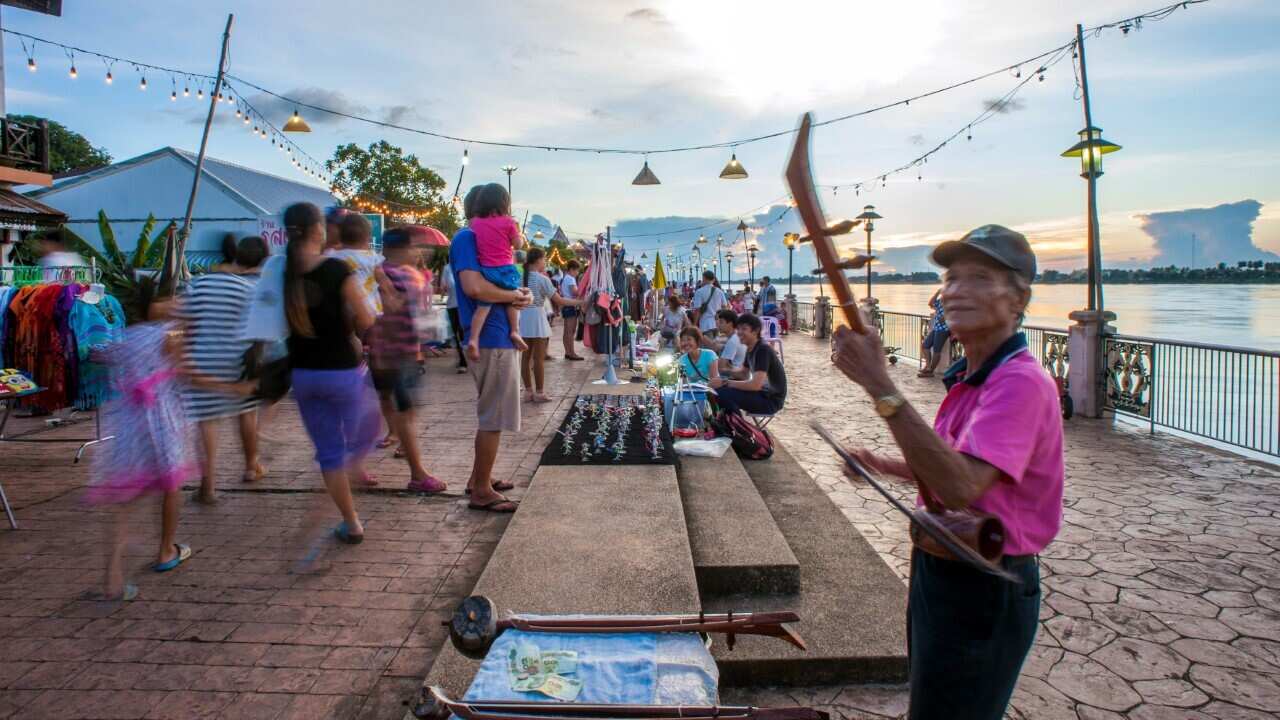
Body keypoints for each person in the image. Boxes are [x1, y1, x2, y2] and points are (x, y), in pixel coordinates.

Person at [830, 224, 1063, 720]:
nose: (955, 291)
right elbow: (953, 466)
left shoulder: (1020, 382)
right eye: (951, 278)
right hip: (941, 569)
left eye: (978, 278)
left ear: (1018, 298)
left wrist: (878, 381)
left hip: (985, 583)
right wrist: (884, 465)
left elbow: (960, 486)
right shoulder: (972, 379)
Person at [87, 277, 249, 600]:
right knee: (171, 488)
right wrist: (233, 388)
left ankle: (113, 576)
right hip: (163, 422)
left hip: (131, 426)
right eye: (168, 299)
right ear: (152, 304)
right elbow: (189, 372)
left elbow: (102, 357)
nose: (176, 304)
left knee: (126, 501)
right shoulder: (172, 333)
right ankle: (165, 550)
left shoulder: (128, 337)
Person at [282, 202, 381, 543]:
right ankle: (339, 489)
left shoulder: (283, 272)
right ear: (318, 230)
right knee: (367, 432)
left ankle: (351, 522)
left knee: (329, 452)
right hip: (342, 370)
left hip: (304, 374)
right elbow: (367, 319)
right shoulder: (337, 270)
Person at [452, 184, 533, 513]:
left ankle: (478, 479)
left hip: (497, 335)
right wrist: (514, 296)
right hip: (491, 339)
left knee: (492, 414)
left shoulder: (477, 237)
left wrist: (519, 295)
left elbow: (497, 284)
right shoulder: (466, 238)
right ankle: (482, 491)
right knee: (493, 417)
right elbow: (474, 286)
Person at [181, 235, 269, 504]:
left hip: (203, 360)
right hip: (239, 362)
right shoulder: (249, 290)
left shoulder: (198, 284)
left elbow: (186, 323)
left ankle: (208, 485)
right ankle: (251, 467)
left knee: (207, 423)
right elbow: (261, 331)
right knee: (246, 414)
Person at [368, 228, 447, 494]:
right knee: (406, 412)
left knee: (398, 408)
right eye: (412, 248)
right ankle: (417, 473)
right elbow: (418, 316)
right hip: (402, 353)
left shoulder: (376, 274)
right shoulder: (405, 276)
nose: (416, 252)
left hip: (385, 351)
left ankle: (400, 442)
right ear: (399, 249)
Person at [465, 184, 527, 362]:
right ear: (504, 203)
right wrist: (519, 234)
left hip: (486, 270)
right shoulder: (508, 222)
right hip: (505, 269)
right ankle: (515, 331)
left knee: (483, 307)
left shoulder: (475, 223)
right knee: (512, 299)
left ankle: (474, 339)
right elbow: (518, 245)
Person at [519, 247, 581, 403]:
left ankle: (528, 392)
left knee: (525, 358)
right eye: (544, 259)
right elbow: (559, 300)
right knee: (538, 358)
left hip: (524, 316)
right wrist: (581, 302)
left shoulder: (520, 277)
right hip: (537, 316)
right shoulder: (542, 279)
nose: (545, 262)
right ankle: (539, 392)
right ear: (538, 260)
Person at [710, 313, 786, 416]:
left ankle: (736, 427)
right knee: (716, 390)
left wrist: (725, 382)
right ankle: (728, 423)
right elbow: (744, 374)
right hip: (761, 394)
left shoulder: (763, 350)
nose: (739, 332)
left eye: (744, 329)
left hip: (770, 400)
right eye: (738, 329)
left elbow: (755, 385)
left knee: (722, 393)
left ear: (756, 331)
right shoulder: (750, 347)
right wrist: (723, 373)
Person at [328, 213, 387, 319]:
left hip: (345, 307)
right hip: (370, 307)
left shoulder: (333, 255)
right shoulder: (371, 256)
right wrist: (392, 294)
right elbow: (382, 279)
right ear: (368, 237)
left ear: (340, 236)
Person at [441, 260, 468, 374]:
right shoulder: (447, 268)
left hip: (466, 306)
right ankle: (463, 360)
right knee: (456, 334)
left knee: (464, 333)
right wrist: (444, 287)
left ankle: (467, 359)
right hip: (452, 305)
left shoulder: (467, 265)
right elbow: (444, 287)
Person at [918, 288, 949, 378]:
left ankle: (930, 371)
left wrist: (945, 316)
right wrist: (937, 293)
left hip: (944, 329)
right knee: (925, 345)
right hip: (936, 328)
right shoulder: (941, 301)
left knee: (937, 350)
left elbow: (953, 313)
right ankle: (928, 367)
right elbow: (930, 303)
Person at [559, 260, 584, 360]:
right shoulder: (570, 279)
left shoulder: (566, 278)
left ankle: (568, 352)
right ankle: (571, 353)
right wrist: (582, 288)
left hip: (566, 305)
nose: (577, 273)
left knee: (567, 331)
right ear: (572, 269)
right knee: (570, 331)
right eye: (577, 271)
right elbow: (575, 292)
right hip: (570, 305)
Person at [689, 270, 727, 338]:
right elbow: (724, 307)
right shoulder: (719, 291)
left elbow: (697, 310)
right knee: (715, 345)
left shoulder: (699, 291)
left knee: (708, 346)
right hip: (717, 323)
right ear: (713, 279)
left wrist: (694, 325)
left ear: (704, 278)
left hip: (705, 324)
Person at [713, 309, 747, 375]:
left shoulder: (733, 340)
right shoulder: (737, 336)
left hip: (736, 377)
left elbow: (721, 367)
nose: (718, 324)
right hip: (740, 374)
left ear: (730, 324)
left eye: (721, 322)